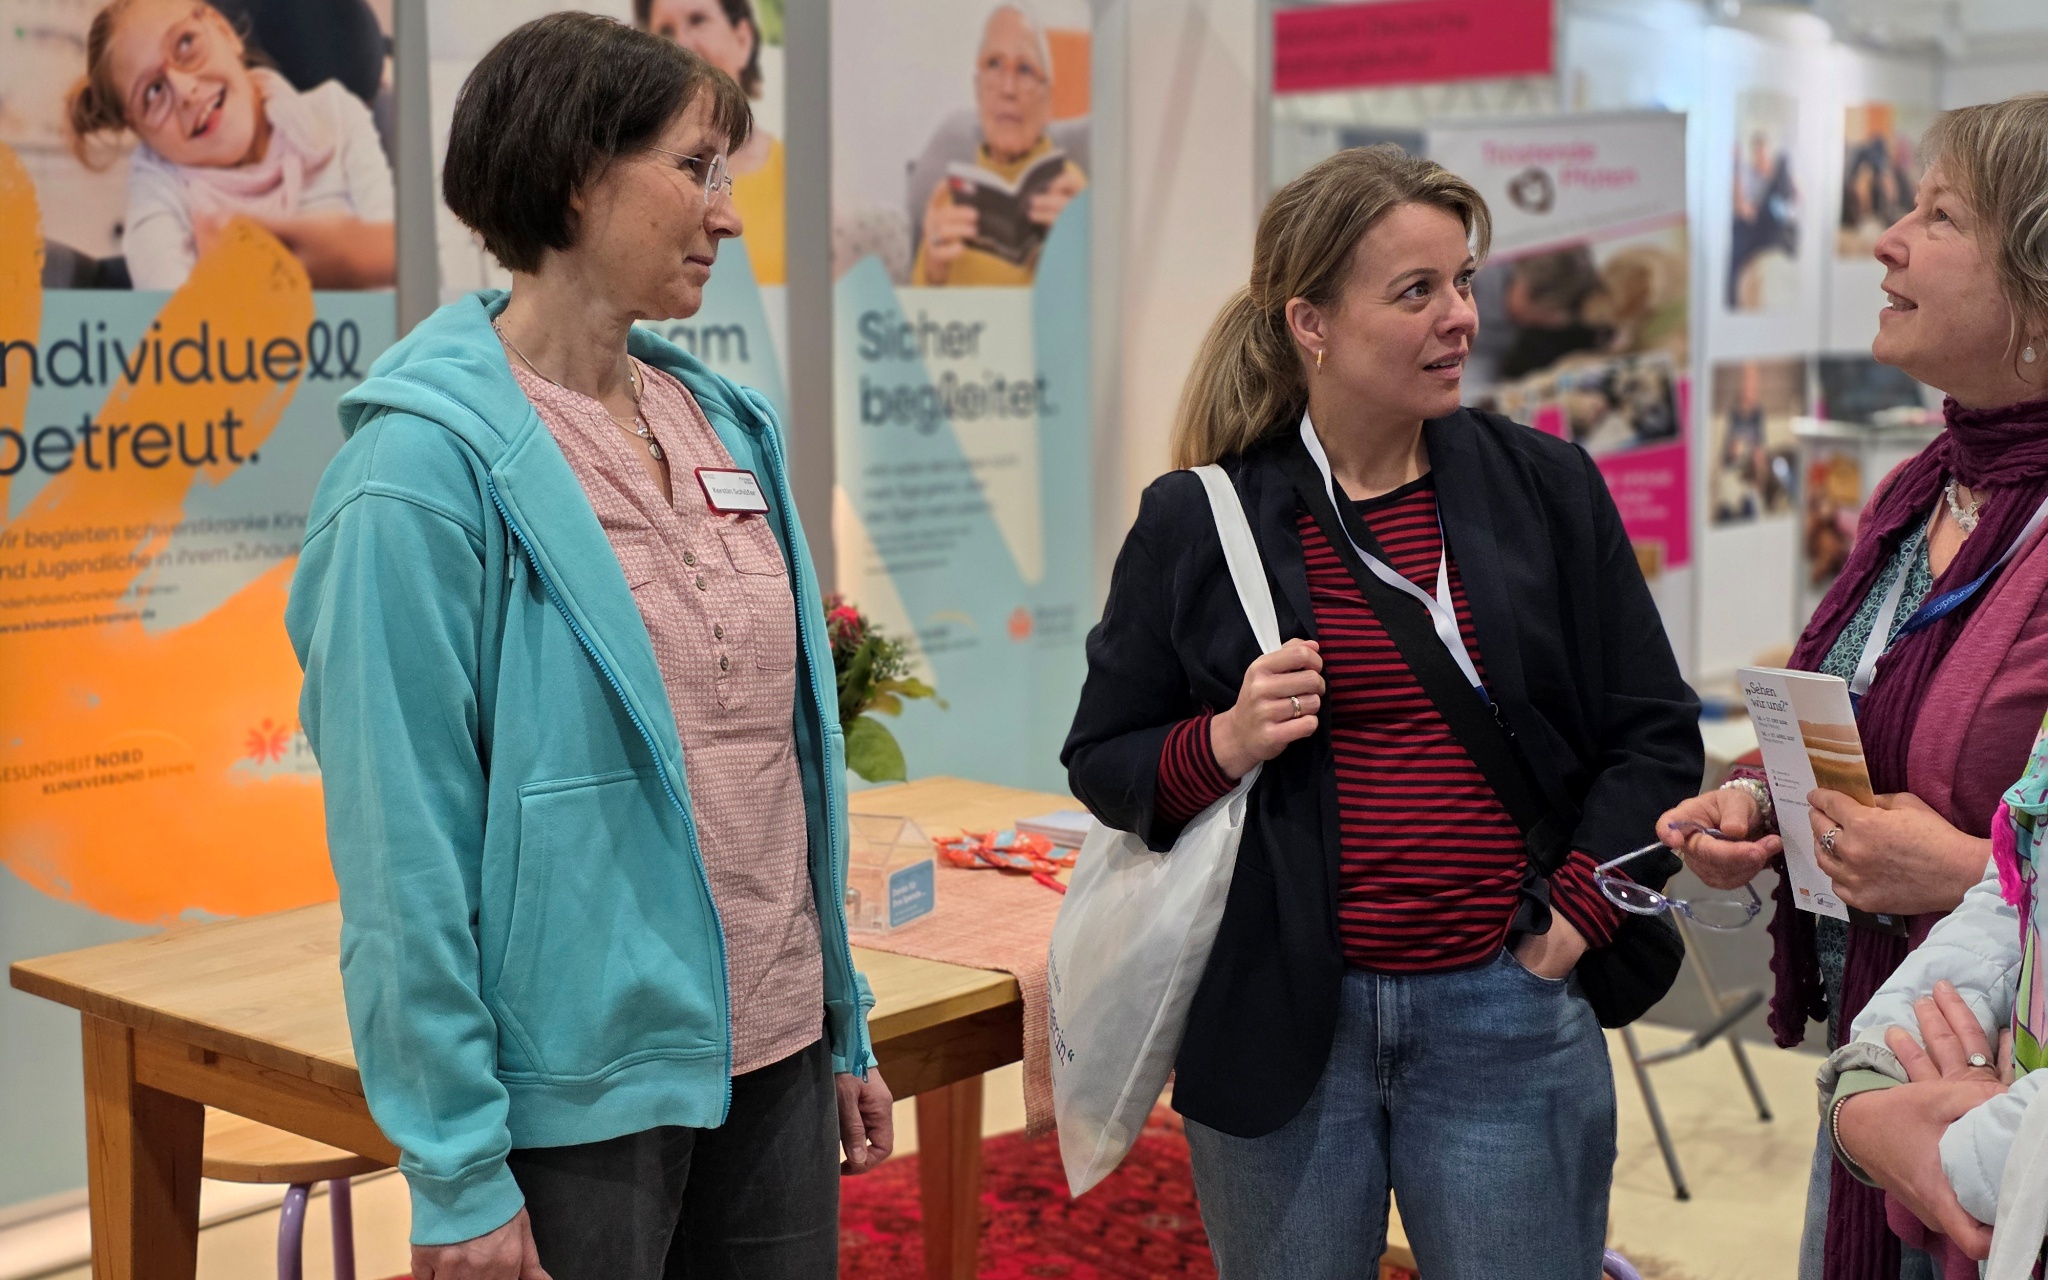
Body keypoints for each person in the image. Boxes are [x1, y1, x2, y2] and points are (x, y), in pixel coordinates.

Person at [285, 15, 891, 1280]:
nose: (726, 213)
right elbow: (401, 854)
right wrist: (456, 1164)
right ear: (573, 175)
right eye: (694, 167)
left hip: (777, 1044)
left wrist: (840, 1020)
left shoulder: (725, 423)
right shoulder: (414, 473)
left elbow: (777, 757)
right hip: (573, 1092)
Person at [1062, 145, 1702, 1280]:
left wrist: (1569, 924)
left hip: (1508, 1012)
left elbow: (1651, 729)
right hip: (1280, 1027)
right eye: (1416, 292)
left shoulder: (1544, 488)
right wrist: (1223, 741)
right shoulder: (1201, 520)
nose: (1460, 317)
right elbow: (1102, 758)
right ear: (1310, 323)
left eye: (1462, 281)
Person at [1660, 91, 2048, 1280]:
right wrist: (1758, 795)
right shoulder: (1921, 487)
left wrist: (1960, 870)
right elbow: (1856, 705)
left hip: (1997, 1093)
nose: (1884, 242)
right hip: (1877, 1050)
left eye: (1938, 217)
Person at [64, 0, 395, 290]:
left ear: (224, 30)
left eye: (186, 43)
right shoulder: (159, 184)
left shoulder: (337, 115)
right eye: (153, 92)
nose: (185, 91)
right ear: (139, 129)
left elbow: (401, 270)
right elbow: (176, 320)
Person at [912, 4, 1085, 286]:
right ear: (978, 89)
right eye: (994, 64)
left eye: (1025, 69)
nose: (1008, 89)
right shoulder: (949, 197)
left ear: (1048, 101)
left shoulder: (1073, 192)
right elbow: (917, 310)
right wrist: (933, 271)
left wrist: (1082, 250)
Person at [636, 0, 784, 286]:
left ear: (743, 38)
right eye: (665, 31)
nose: (683, 43)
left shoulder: (802, 180)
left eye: (698, 20)